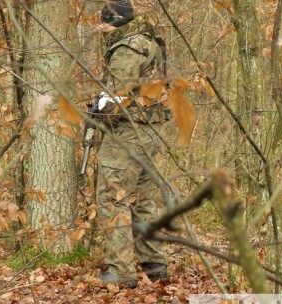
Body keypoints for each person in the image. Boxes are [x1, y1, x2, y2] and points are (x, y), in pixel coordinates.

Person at [93, 0, 168, 289]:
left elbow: (117, 97)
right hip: (152, 131)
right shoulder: (150, 42)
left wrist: (98, 110)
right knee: (143, 199)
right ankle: (155, 265)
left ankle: (121, 271)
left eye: (104, 22)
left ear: (117, 22)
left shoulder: (127, 47)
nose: (99, 27)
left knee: (112, 198)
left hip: (130, 132)